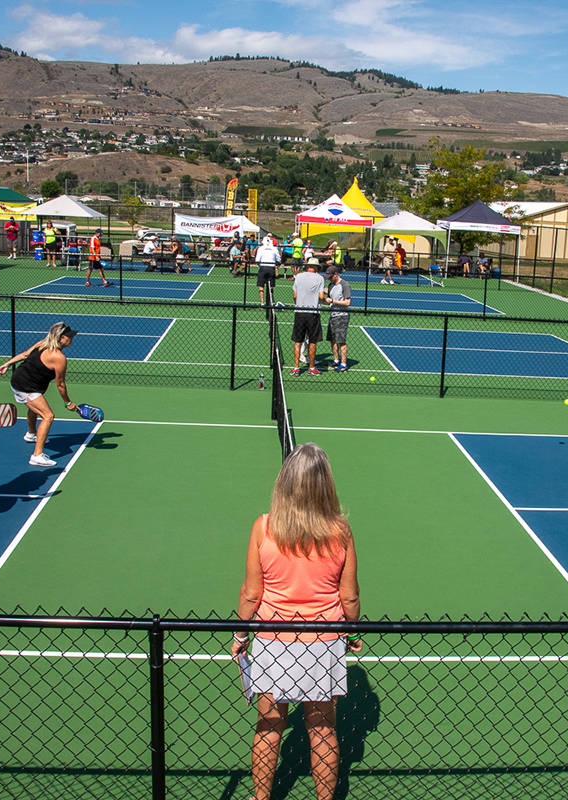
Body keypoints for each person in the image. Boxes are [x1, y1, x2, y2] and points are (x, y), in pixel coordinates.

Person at [230, 442, 361, 800]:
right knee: (322, 729)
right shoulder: (341, 531)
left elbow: (251, 594)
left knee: (269, 727)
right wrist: (352, 633)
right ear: (326, 485)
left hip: (273, 643)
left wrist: (241, 635)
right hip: (324, 641)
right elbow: (348, 596)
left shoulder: (264, 527)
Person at [0, 322, 80, 468]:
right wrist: (68, 403)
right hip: (26, 387)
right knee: (48, 416)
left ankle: (30, 434)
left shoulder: (42, 344)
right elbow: (60, 385)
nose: (72, 338)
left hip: (20, 380)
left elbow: (24, 355)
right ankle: (37, 455)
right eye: (69, 336)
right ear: (61, 338)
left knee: (34, 408)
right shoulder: (59, 358)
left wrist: (7, 364)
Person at [291, 261, 325, 375]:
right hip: (313, 314)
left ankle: (296, 368)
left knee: (297, 341)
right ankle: (311, 368)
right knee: (313, 341)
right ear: (315, 267)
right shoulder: (320, 278)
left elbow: (295, 296)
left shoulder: (298, 276)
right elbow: (321, 296)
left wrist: (299, 304)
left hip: (299, 312)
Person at [324, 266, 351, 371]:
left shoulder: (345, 285)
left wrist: (333, 301)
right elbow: (327, 295)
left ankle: (344, 364)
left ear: (336, 274)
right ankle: (336, 360)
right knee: (332, 340)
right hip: (332, 315)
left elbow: (347, 302)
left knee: (341, 341)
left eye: (330, 277)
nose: (329, 279)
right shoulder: (331, 285)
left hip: (342, 316)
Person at [255, 235, 282, 307]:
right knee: (271, 286)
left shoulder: (261, 248)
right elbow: (278, 259)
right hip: (271, 267)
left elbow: (257, 260)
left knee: (261, 286)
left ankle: (262, 303)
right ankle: (270, 302)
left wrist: (260, 265)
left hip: (263, 267)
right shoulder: (274, 249)